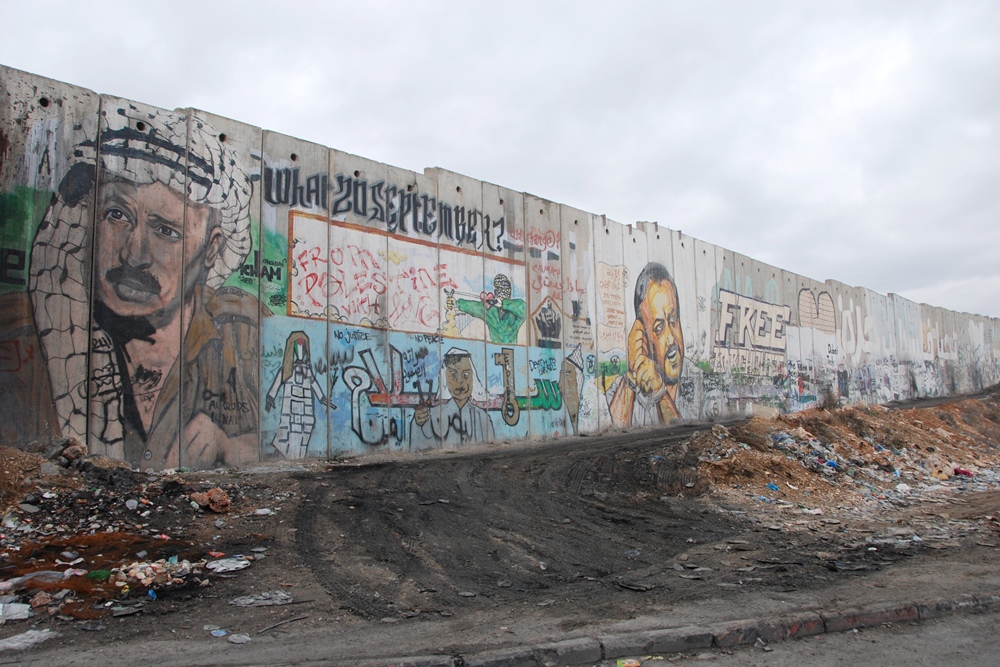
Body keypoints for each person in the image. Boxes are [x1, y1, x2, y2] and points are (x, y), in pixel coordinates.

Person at [10, 105, 261, 470]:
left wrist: (228, 446)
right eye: (118, 215)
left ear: (212, 249)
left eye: (166, 231)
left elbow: (297, 441)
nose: (133, 254)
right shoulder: (21, 339)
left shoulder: (246, 331)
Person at [607, 262, 685, 427]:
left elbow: (680, 433)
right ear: (642, 335)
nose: (671, 338)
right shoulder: (623, 388)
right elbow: (613, 430)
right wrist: (631, 378)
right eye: (659, 328)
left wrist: (660, 392)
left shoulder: (700, 382)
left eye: (673, 320)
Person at [410, 348, 495, 448]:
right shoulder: (432, 416)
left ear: (473, 378)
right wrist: (417, 424)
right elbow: (419, 447)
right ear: (445, 378)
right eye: (453, 374)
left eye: (466, 375)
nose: (460, 380)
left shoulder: (482, 417)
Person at [453, 274, 526, 344]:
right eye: (499, 290)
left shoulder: (514, 312)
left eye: (504, 291)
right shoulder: (490, 310)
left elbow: (523, 309)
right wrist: (456, 303)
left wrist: (503, 303)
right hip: (495, 348)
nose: (502, 294)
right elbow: (474, 306)